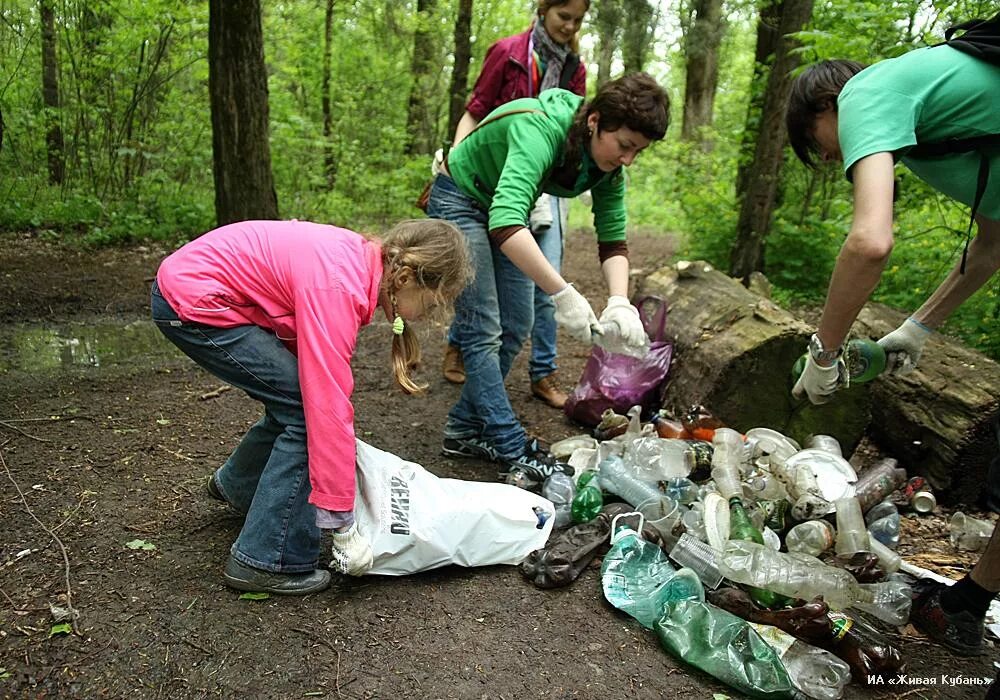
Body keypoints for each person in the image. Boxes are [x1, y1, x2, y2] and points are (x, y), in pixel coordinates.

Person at [785, 42, 1000, 656]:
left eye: (816, 138)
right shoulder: (942, 122)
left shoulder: (867, 91)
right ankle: (967, 604)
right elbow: (991, 246)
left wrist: (823, 350)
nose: (828, 155)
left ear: (828, 102)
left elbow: (870, 241)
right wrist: (917, 329)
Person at [151, 219, 472, 595]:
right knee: (307, 414)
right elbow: (327, 409)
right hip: (194, 300)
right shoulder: (339, 286)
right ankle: (267, 559)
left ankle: (239, 487)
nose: (426, 315)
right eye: (431, 303)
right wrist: (342, 521)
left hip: (193, 285)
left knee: (296, 401)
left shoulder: (357, 264)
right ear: (403, 277)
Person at [428, 71, 669, 483]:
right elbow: (506, 223)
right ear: (594, 120)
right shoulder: (540, 128)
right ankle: (509, 443)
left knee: (517, 324)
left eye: (638, 152)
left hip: (502, 211)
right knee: (483, 327)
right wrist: (563, 293)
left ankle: (464, 429)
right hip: (460, 198)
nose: (628, 159)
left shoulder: (608, 166)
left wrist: (619, 301)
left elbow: (613, 240)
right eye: (625, 146)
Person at [442, 0, 590, 411]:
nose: (570, 26)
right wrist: (459, 158)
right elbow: (476, 111)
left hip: (543, 180)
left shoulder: (575, 67)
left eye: (578, 20)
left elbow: (577, 127)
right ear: (544, 10)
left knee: (547, 280)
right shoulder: (508, 52)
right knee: (479, 281)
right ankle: (461, 347)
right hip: (492, 171)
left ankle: (543, 372)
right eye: (564, 17)